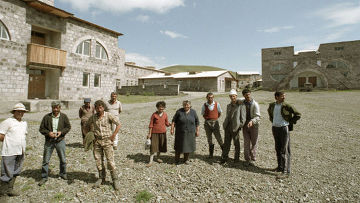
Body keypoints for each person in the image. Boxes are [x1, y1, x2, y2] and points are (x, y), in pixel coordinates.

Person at [86, 100, 121, 190]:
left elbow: (118, 124)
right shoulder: (93, 117)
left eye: (101, 107)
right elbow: (86, 126)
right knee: (98, 160)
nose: (99, 109)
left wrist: (113, 135)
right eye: (97, 107)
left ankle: (115, 179)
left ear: (103, 107)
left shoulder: (108, 115)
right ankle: (101, 178)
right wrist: (90, 135)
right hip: (97, 142)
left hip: (107, 141)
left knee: (110, 161)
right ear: (96, 108)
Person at [267, 91, 301, 177]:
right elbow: (270, 114)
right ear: (276, 97)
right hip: (275, 128)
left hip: (284, 128)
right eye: (282, 96)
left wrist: (289, 122)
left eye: (284, 96)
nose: (284, 97)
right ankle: (280, 167)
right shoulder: (272, 105)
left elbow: (298, 114)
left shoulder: (287, 106)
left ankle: (286, 172)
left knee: (285, 150)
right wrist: (274, 122)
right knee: (277, 148)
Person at [38, 101, 71, 186]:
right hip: (49, 141)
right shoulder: (46, 117)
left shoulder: (64, 117)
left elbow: (68, 127)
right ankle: (44, 177)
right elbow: (41, 129)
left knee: (63, 159)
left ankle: (63, 173)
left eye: (57, 107)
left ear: (60, 108)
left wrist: (61, 132)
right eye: (54, 107)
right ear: (52, 108)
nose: (56, 109)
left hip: (60, 140)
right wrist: (48, 133)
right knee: (46, 160)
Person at [0, 103, 28, 196]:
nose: (20, 113)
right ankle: (2, 192)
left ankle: (10, 190)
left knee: (16, 171)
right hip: (9, 151)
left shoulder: (24, 123)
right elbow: (1, 135)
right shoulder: (8, 121)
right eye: (18, 111)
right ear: (14, 112)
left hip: (20, 151)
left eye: (22, 112)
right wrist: (9, 142)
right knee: (7, 171)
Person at [170, 100, 199, 165]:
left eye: (187, 105)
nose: (186, 106)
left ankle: (185, 159)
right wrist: (172, 129)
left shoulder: (193, 112)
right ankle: (176, 160)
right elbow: (173, 121)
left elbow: (197, 122)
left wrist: (197, 131)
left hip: (190, 132)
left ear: (190, 105)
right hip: (180, 132)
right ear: (183, 105)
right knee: (178, 146)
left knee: (188, 146)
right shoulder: (179, 111)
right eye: (185, 105)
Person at [221, 89, 246, 164]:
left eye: (234, 96)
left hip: (235, 127)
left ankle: (236, 159)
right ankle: (224, 158)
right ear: (229, 97)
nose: (233, 98)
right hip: (227, 127)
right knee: (226, 143)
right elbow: (227, 116)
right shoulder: (228, 105)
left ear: (236, 96)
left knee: (236, 143)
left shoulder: (241, 105)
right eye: (231, 96)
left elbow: (243, 118)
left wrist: (239, 126)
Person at [146, 101, 170, 167]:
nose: (161, 109)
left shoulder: (165, 114)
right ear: (157, 107)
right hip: (154, 133)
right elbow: (151, 125)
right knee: (153, 146)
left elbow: (167, 123)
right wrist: (149, 133)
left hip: (162, 132)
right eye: (160, 108)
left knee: (160, 146)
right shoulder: (154, 115)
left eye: (162, 108)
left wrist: (172, 124)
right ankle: (150, 161)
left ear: (164, 108)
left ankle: (158, 158)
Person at [241, 89, 261, 166]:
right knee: (246, 142)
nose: (248, 96)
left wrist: (252, 121)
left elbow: (258, 116)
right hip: (245, 125)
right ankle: (247, 159)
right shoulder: (242, 103)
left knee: (254, 142)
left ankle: (253, 156)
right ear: (244, 95)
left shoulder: (255, 104)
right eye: (246, 95)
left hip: (254, 125)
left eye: (249, 94)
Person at [201, 92, 224, 158]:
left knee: (219, 138)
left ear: (213, 97)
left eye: (211, 97)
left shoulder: (217, 104)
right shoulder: (204, 105)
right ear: (207, 98)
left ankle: (224, 153)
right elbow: (203, 114)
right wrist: (208, 119)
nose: (210, 98)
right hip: (207, 123)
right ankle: (211, 154)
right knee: (209, 139)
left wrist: (215, 118)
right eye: (209, 97)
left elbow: (220, 113)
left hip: (215, 122)